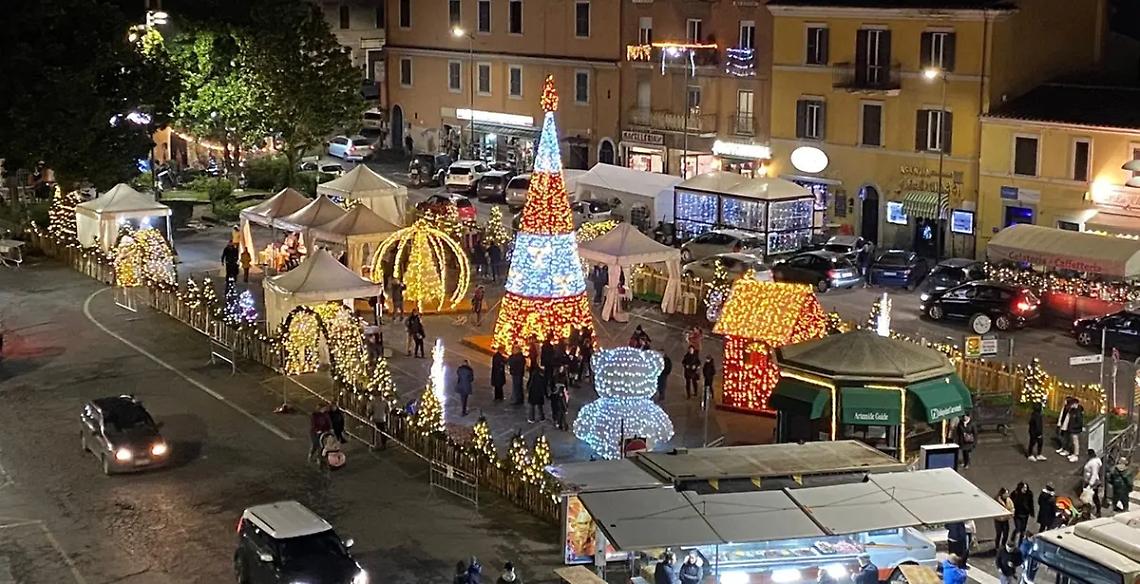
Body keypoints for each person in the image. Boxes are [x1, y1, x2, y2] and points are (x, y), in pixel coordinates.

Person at [1082, 448, 1104, 517]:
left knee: (1092, 497)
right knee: (1092, 497)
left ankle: (1096, 511)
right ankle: (1092, 510)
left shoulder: (1094, 463)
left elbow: (1094, 474)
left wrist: (1090, 484)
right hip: (1089, 481)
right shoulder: (1093, 461)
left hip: (1092, 482)